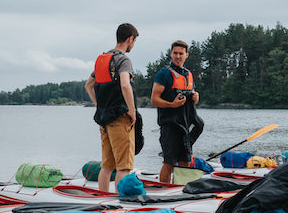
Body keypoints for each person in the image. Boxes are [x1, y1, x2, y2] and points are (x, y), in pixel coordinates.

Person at [84, 23, 139, 192]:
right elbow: (124, 85)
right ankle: (119, 203)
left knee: (107, 165)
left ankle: (102, 200)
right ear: (130, 39)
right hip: (120, 118)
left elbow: (88, 85)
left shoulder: (102, 59)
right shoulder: (123, 59)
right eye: (134, 41)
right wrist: (132, 110)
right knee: (123, 167)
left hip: (104, 119)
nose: (133, 44)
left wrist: (98, 105)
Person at [151, 40, 204, 183]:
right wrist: (171, 104)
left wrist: (196, 98)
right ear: (171, 54)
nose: (178, 56)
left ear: (186, 55)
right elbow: (154, 99)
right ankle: (163, 190)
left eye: (181, 53)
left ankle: (179, 189)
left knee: (185, 162)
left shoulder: (188, 75)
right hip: (169, 125)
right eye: (175, 53)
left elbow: (193, 101)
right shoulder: (164, 74)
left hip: (185, 126)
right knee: (169, 163)